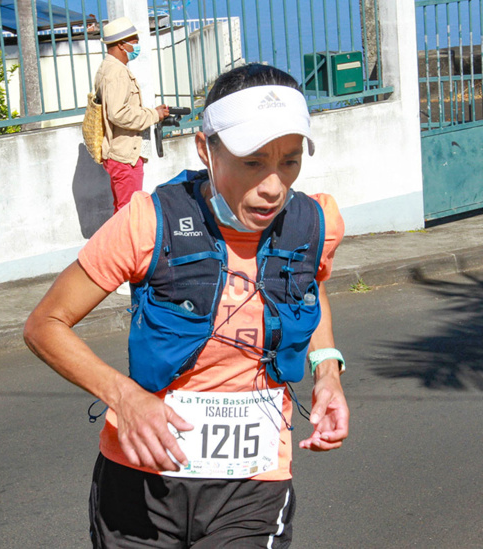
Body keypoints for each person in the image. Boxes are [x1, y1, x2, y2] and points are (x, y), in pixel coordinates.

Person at [25, 63, 349, 548]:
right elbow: (45, 324)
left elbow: (307, 286)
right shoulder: (148, 223)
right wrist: (124, 396)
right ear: (206, 149)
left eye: (290, 160)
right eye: (253, 161)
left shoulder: (314, 223)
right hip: (140, 484)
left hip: (254, 485)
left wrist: (327, 371)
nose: (274, 186)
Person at [95, 16, 170, 214]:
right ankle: (124, 246)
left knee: (123, 209)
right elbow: (118, 113)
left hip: (122, 153)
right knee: (128, 212)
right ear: (122, 45)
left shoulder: (108, 68)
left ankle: (119, 244)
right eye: (134, 41)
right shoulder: (117, 73)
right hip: (125, 154)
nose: (137, 46)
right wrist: (153, 115)